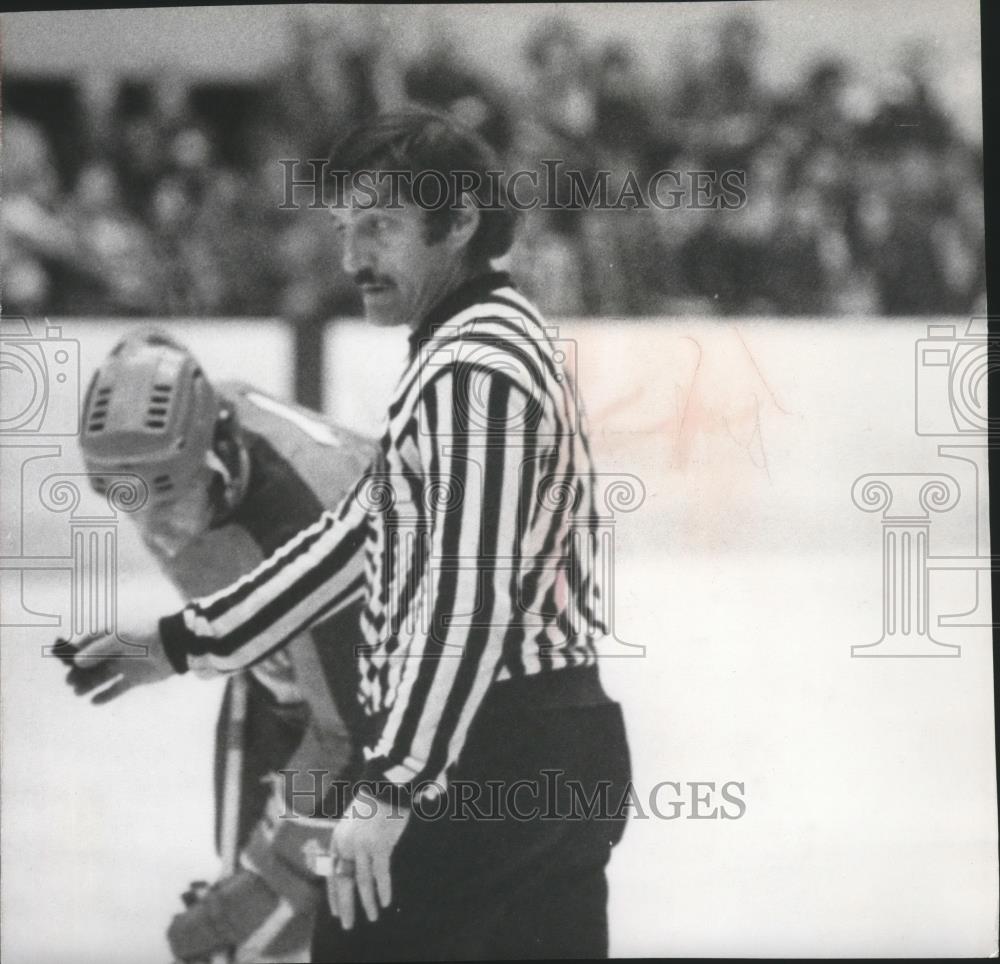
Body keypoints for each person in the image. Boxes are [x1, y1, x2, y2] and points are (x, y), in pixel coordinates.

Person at [68, 108, 633, 961]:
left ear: (459, 220)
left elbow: (464, 599)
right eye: (343, 228)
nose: (350, 258)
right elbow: (363, 535)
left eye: (380, 226)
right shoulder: (475, 346)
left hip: (483, 759)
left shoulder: (471, 369)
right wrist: (187, 640)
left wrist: (392, 785)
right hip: (528, 746)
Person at [63, 328, 376, 963]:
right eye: (128, 504)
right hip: (296, 685)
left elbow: (351, 738)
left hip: (392, 711)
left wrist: (264, 885)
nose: (158, 533)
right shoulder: (183, 447)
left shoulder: (309, 513)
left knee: (278, 927)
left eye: (169, 502)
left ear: (216, 457)